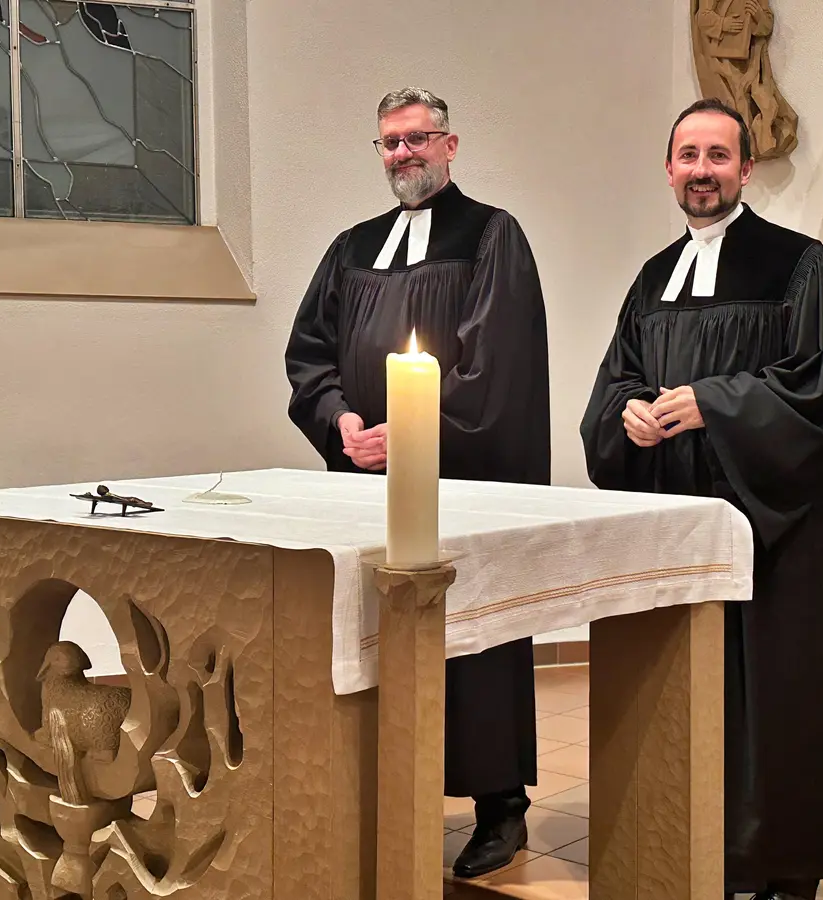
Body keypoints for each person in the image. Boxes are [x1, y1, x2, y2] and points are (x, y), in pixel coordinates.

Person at [580, 98, 823, 900]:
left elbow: (820, 388)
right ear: (667, 169)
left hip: (767, 531)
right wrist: (625, 415)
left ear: (745, 168)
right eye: (687, 156)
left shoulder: (800, 267)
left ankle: (779, 866)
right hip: (674, 527)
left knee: (770, 693)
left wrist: (716, 403)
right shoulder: (651, 280)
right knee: (681, 685)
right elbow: (615, 386)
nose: (701, 170)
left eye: (717, 156)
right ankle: (687, 841)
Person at [284, 87, 549, 879]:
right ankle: (385, 789)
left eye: (418, 140)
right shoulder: (352, 247)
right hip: (363, 478)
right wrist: (340, 424)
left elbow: (495, 362)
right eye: (389, 143)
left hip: (459, 481)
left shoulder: (492, 236)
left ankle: (499, 805)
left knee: (472, 636)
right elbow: (310, 352)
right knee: (375, 631)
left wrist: (416, 433)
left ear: (451, 144)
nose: (403, 154)